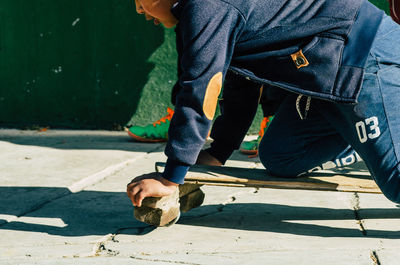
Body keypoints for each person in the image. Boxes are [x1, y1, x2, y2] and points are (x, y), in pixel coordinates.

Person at [127, 0, 400, 207]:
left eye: (141, 1)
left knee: (395, 183)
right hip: (325, 76)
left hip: (363, 58)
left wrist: (171, 177)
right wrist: (218, 152)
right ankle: (366, 137)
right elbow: (241, 81)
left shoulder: (205, 8)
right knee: (281, 156)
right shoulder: (208, 10)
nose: (139, 9)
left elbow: (201, 89)